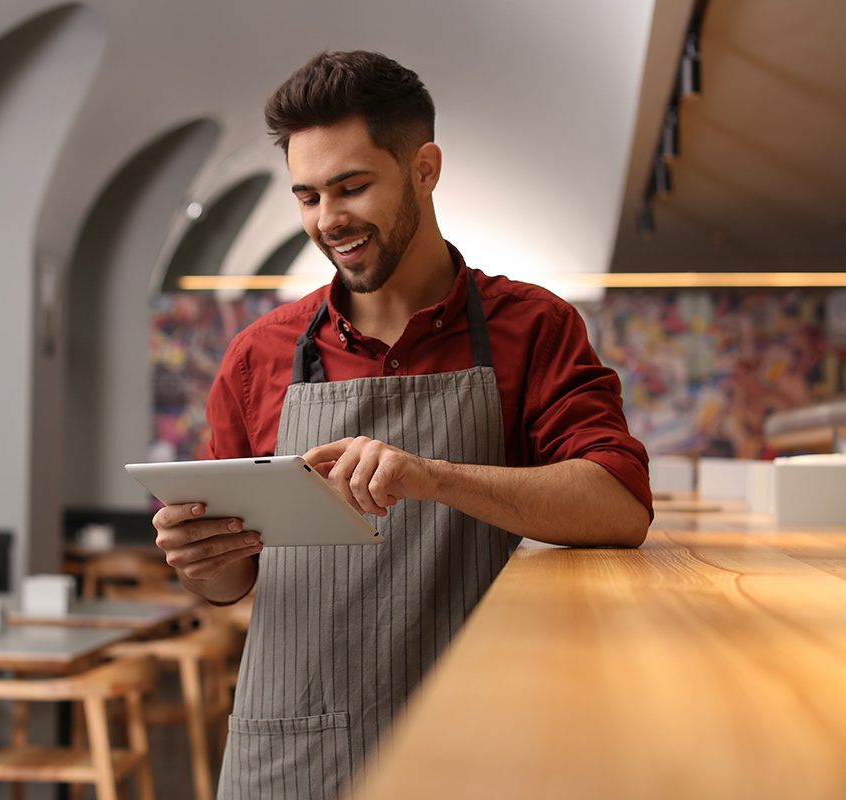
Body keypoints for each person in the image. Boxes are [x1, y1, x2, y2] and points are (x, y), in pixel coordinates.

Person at [152, 50, 652, 800]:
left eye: (352, 187)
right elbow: (233, 581)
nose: (329, 221)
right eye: (309, 196)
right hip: (295, 748)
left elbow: (618, 506)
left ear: (425, 168)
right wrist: (200, 561)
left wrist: (432, 475)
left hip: (481, 744)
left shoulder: (534, 327)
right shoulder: (258, 356)